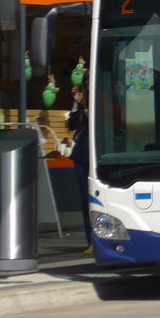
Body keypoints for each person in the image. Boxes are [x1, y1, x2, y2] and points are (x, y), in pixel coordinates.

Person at [66, 85, 93, 255]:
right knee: (85, 199)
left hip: (98, 153)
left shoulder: (104, 100)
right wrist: (76, 104)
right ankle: (90, 241)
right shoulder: (82, 106)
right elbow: (71, 125)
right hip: (83, 154)